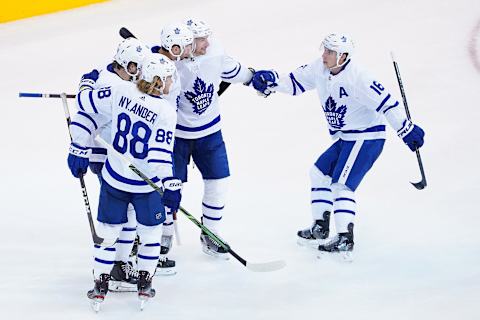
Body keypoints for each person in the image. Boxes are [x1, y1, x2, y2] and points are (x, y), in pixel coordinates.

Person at [250, 33, 425, 260]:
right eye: (325, 50)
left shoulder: (359, 77)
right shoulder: (320, 68)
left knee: (341, 186)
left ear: (342, 56)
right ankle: (320, 227)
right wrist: (271, 81)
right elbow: (295, 82)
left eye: (330, 52)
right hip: (347, 137)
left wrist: (406, 129)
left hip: (366, 137)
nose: (324, 55)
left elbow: (387, 104)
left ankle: (345, 239)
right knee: (319, 173)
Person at [67, 53, 181, 309]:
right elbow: (160, 154)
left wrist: (87, 82)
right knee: (150, 232)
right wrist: (171, 182)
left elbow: (85, 103)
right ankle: (145, 279)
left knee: (107, 233)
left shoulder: (120, 90)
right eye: (169, 78)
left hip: (114, 180)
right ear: (159, 82)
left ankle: (101, 281)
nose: (173, 82)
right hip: (145, 186)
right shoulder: (165, 110)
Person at [167, 18, 255, 258]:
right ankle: (161, 240)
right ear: (186, 43)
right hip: (175, 136)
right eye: (201, 40)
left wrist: (254, 77)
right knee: (169, 187)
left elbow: (235, 71)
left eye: (207, 37)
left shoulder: (214, 51)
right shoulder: (168, 64)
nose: (207, 43)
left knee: (219, 182)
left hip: (209, 132)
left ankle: (211, 232)